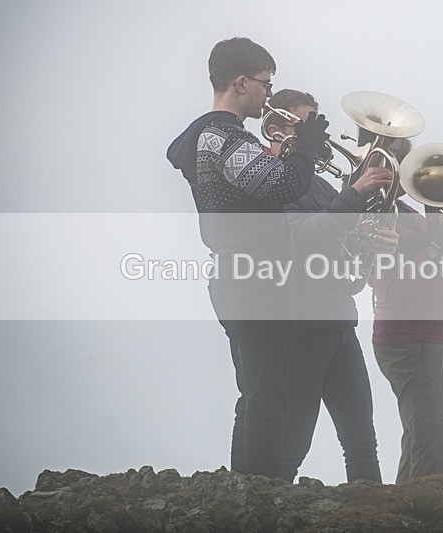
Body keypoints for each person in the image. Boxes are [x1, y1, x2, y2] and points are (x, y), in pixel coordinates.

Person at [166, 38, 330, 478]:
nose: (269, 94)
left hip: (239, 276)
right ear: (241, 83)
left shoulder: (214, 136)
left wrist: (287, 153)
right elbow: (281, 186)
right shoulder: (222, 133)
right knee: (268, 397)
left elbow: (260, 184)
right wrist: (308, 146)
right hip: (253, 277)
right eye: (265, 84)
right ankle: (261, 500)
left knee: (257, 393)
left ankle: (244, 495)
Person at [265, 88, 397, 483]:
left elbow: (349, 262)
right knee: (292, 443)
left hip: (340, 321)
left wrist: (372, 243)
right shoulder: (273, 183)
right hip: (300, 326)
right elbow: (303, 239)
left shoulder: (321, 186)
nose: (319, 139)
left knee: (361, 439)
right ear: (276, 129)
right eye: (306, 126)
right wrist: (355, 193)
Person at [368, 138, 443, 483]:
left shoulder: (413, 217)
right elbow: (396, 285)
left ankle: (406, 508)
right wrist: (439, 246)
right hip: (410, 337)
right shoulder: (379, 217)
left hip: (428, 335)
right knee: (432, 437)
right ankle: (420, 511)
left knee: (424, 435)